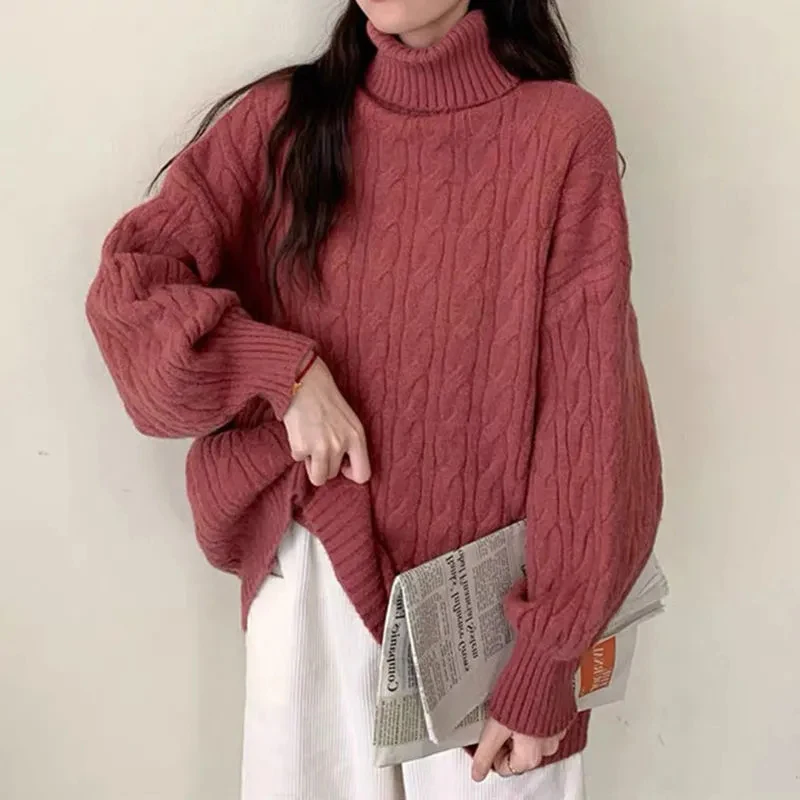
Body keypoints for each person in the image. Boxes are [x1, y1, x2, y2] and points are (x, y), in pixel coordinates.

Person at [86, 1, 663, 797]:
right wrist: (285, 373)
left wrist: (550, 654)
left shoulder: (561, 133)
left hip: (491, 611)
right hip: (318, 571)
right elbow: (131, 288)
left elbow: (589, 417)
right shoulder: (286, 122)